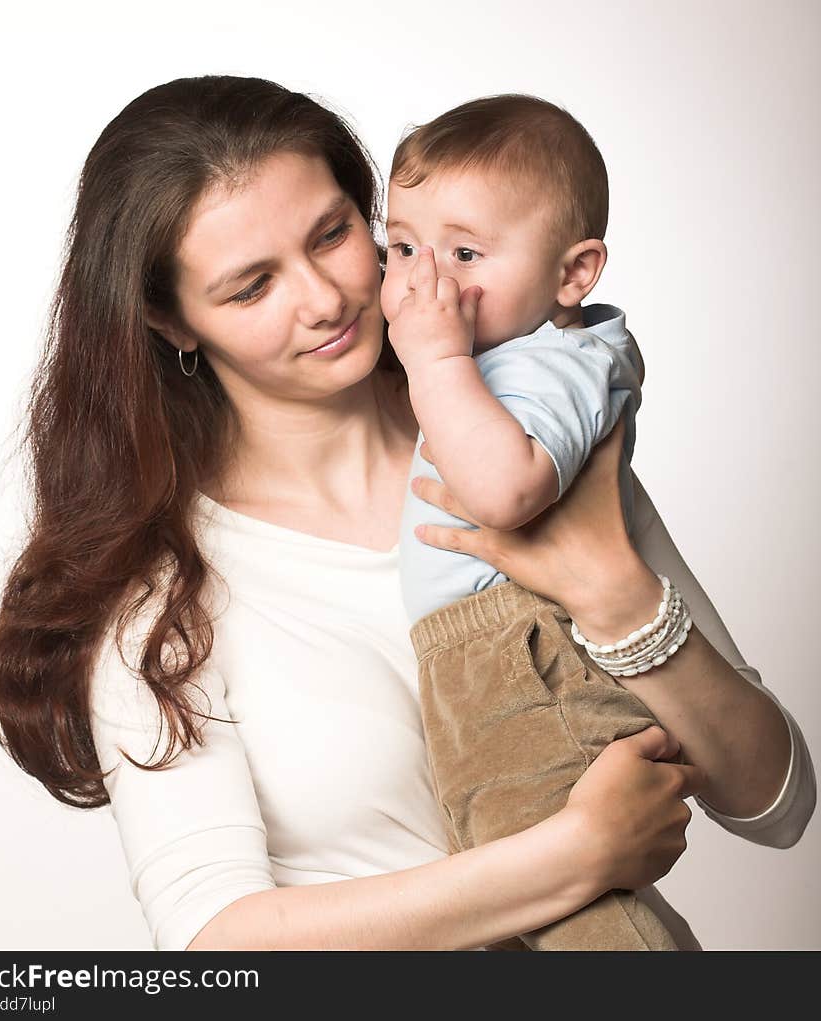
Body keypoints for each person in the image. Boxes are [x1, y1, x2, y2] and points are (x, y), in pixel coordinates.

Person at [0, 75, 814, 952]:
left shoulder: (518, 440)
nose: (325, 298)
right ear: (172, 321)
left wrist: (615, 597)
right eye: (251, 286)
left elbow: (776, 801)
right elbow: (217, 940)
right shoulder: (158, 591)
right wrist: (575, 855)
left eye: (333, 234)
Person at [381, 94, 677, 949]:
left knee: (582, 918)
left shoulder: (562, 359)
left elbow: (507, 492)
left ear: (573, 273)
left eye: (464, 252)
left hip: (520, 653)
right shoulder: (499, 357)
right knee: (531, 905)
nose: (423, 279)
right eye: (402, 247)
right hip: (475, 658)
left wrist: (432, 357)